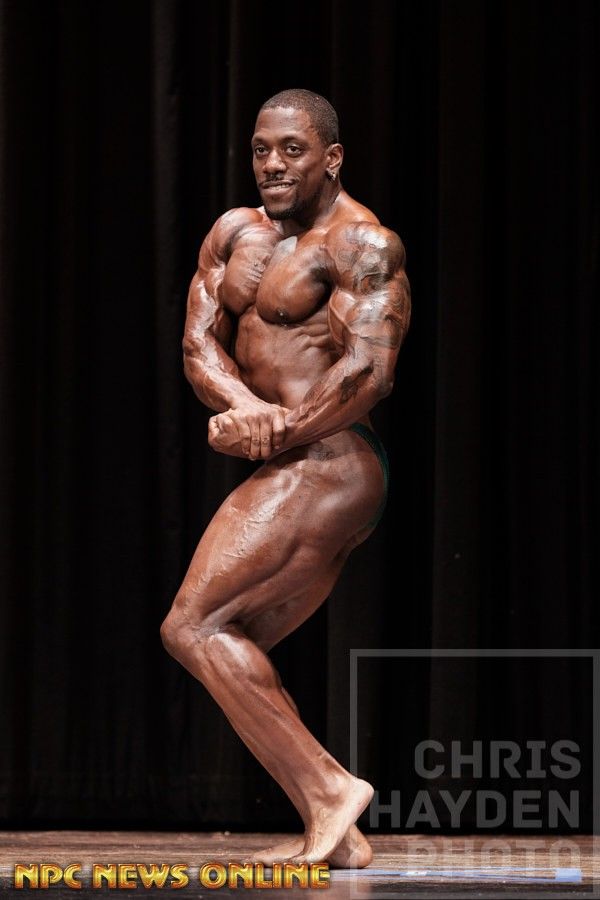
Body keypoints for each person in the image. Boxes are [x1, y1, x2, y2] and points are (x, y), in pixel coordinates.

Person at [160, 88, 411, 867]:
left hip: (334, 460)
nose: (272, 164)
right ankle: (335, 831)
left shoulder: (362, 243)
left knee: (193, 626)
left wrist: (282, 428)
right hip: (293, 458)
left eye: (292, 151)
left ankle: (331, 791)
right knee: (228, 643)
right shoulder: (234, 233)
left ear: (331, 158)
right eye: (261, 149)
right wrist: (247, 410)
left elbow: (369, 372)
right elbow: (199, 343)